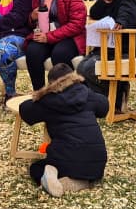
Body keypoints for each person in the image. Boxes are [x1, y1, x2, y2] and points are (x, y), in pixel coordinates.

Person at [17, 62, 109, 196]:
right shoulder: (87, 95)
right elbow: (104, 106)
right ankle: (81, 180)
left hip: (67, 157)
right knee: (84, 167)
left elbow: (25, 110)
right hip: (98, 162)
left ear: (51, 84)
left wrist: (40, 96)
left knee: (35, 168)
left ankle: (55, 176)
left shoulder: (49, 101)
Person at [77, 0, 136, 112]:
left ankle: (113, 99)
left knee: (89, 68)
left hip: (128, 48)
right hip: (111, 46)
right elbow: (94, 13)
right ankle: (104, 99)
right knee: (82, 66)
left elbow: (127, 12)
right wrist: (103, 0)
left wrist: (121, 21)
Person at [22, 0, 87, 93]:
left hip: (68, 36)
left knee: (60, 54)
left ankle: (62, 94)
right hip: (44, 34)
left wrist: (50, 37)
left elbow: (77, 24)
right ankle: (40, 94)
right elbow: (28, 21)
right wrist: (32, 17)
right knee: (33, 51)